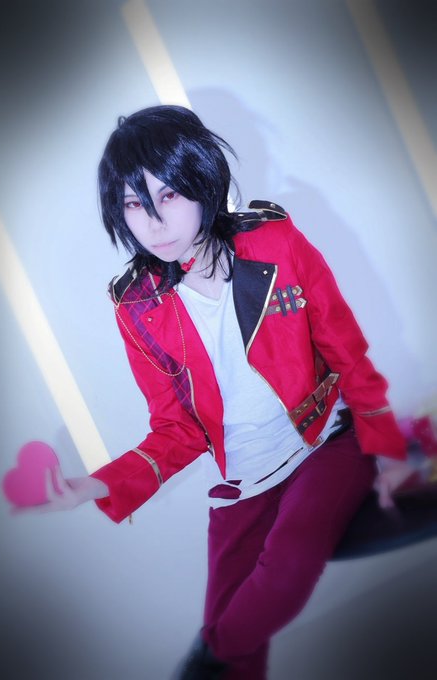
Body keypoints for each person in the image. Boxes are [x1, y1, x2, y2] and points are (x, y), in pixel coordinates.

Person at [32, 105, 414, 679]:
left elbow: (347, 352)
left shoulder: (275, 243)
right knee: (234, 634)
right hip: (244, 481)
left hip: (325, 445)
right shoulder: (137, 306)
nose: (153, 223)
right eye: (134, 205)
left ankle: (204, 663)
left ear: (202, 178)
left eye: (167, 195)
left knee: (284, 571)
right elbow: (177, 431)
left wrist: (386, 449)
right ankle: (217, 658)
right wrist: (92, 485)